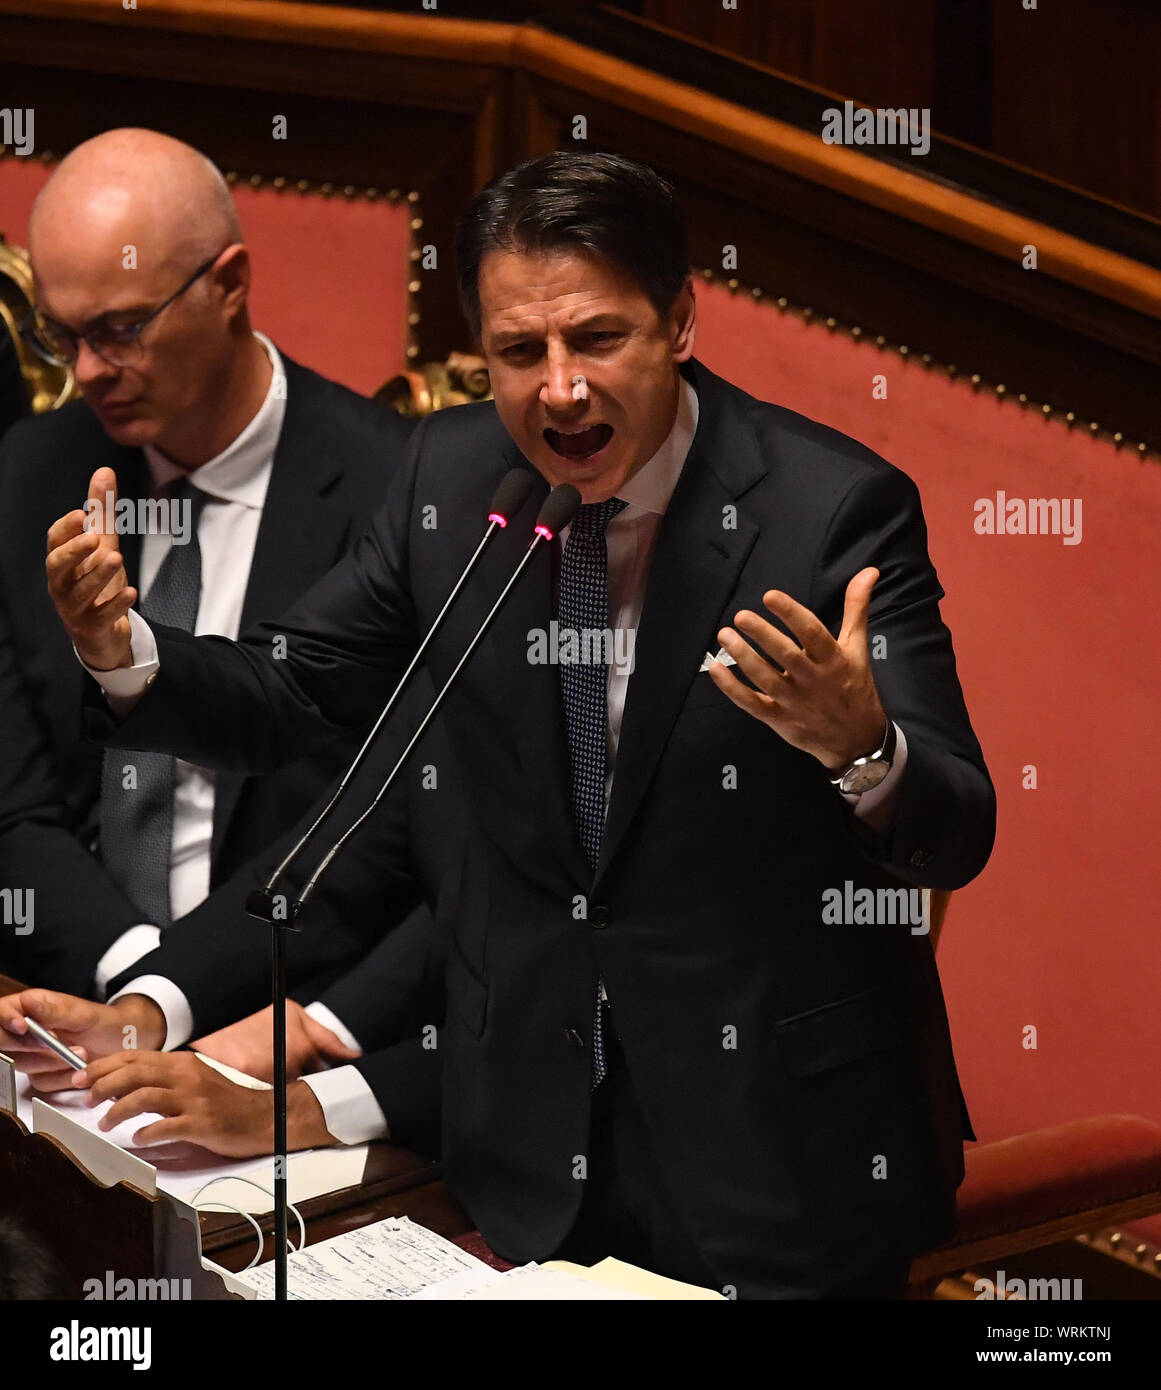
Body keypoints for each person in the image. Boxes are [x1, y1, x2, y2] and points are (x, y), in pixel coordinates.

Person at [46, 150, 995, 1299]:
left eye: (597, 339)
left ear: (681, 320)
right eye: (517, 352)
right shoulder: (449, 485)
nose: (559, 391)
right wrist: (122, 650)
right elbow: (288, 690)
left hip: (780, 1163)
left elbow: (955, 827)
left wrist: (862, 747)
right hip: (530, 1155)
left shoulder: (831, 511)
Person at [0, 125, 419, 1066]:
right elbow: (11, 801)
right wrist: (134, 981)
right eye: (61, 335)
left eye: (121, 328)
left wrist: (177, 1001)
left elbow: (371, 827)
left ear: (229, 284)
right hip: (67, 994)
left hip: (280, 1023)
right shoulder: (31, 472)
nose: (87, 373)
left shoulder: (395, 494)